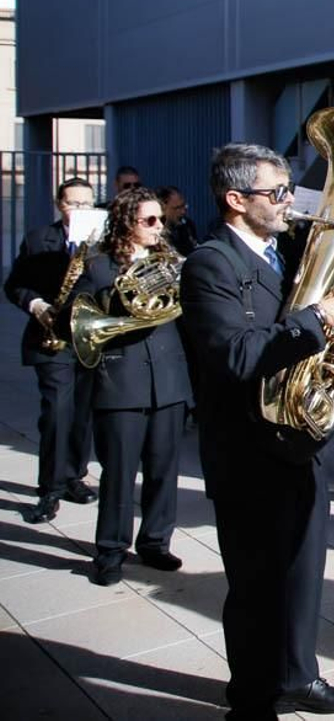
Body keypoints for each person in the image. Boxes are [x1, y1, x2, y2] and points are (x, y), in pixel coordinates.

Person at [178, 143, 334, 718]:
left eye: (288, 190)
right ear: (236, 200)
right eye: (278, 192)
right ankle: (253, 698)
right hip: (245, 451)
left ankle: (298, 675)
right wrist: (319, 318)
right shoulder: (209, 263)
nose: (290, 201)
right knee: (257, 585)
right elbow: (234, 356)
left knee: (303, 574)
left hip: (297, 443)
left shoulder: (286, 250)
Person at [71, 187, 192, 586]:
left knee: (163, 469)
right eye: (149, 220)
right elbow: (77, 317)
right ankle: (110, 550)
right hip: (121, 380)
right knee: (119, 473)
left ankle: (155, 542)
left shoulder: (172, 261)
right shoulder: (99, 266)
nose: (159, 227)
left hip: (168, 379)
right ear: (126, 223)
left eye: (161, 219)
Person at [5, 177, 100, 524]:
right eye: (74, 203)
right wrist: (37, 305)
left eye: (87, 203)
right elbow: (15, 285)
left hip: (90, 337)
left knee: (83, 413)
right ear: (60, 205)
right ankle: (51, 488)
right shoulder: (38, 239)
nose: (81, 209)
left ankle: (74, 475)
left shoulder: (105, 240)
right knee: (58, 412)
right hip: (52, 337)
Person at [157, 185, 201, 256]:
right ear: (163, 208)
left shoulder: (188, 225)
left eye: (183, 206)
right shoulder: (156, 232)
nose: (183, 212)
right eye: (177, 208)